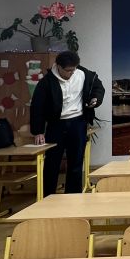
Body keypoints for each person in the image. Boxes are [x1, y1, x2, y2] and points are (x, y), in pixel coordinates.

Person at [30, 51, 104, 196]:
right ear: (58, 66)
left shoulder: (83, 74)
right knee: (52, 163)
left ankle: (73, 197)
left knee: (76, 163)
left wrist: (95, 99)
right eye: (68, 70)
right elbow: (37, 106)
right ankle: (48, 197)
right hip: (56, 124)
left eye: (73, 70)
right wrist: (38, 131)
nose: (71, 73)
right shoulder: (47, 81)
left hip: (78, 122)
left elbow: (98, 87)